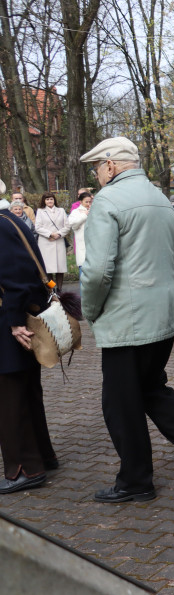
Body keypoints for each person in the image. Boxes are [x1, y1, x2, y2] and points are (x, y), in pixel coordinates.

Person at [79, 136, 174, 503]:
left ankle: (135, 480)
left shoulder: (108, 201)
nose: (98, 175)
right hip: (161, 315)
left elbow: (98, 271)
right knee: (150, 389)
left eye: (98, 167)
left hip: (127, 321)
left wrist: (89, 310)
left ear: (111, 166)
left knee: (120, 403)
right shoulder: (161, 200)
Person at [0, 179, 59, 493]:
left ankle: (25, 468)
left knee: (10, 398)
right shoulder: (10, 219)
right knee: (25, 392)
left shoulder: (1, 224)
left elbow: (14, 278)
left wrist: (12, 322)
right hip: (18, 316)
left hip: (11, 322)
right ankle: (42, 457)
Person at [35, 192, 70, 290]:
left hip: (58, 241)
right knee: (48, 269)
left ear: (54, 200)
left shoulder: (61, 210)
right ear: (44, 201)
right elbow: (37, 227)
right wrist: (50, 234)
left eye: (51, 199)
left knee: (60, 268)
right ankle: (52, 290)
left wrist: (58, 234)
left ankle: (59, 290)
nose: (49, 201)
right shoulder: (40, 211)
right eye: (47, 199)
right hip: (46, 242)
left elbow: (67, 226)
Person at [68, 192, 93, 269]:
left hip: (94, 241)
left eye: (90, 201)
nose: (88, 203)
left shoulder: (95, 210)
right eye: (86, 202)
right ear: (81, 201)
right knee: (83, 264)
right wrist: (84, 215)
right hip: (82, 240)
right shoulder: (76, 211)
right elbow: (73, 224)